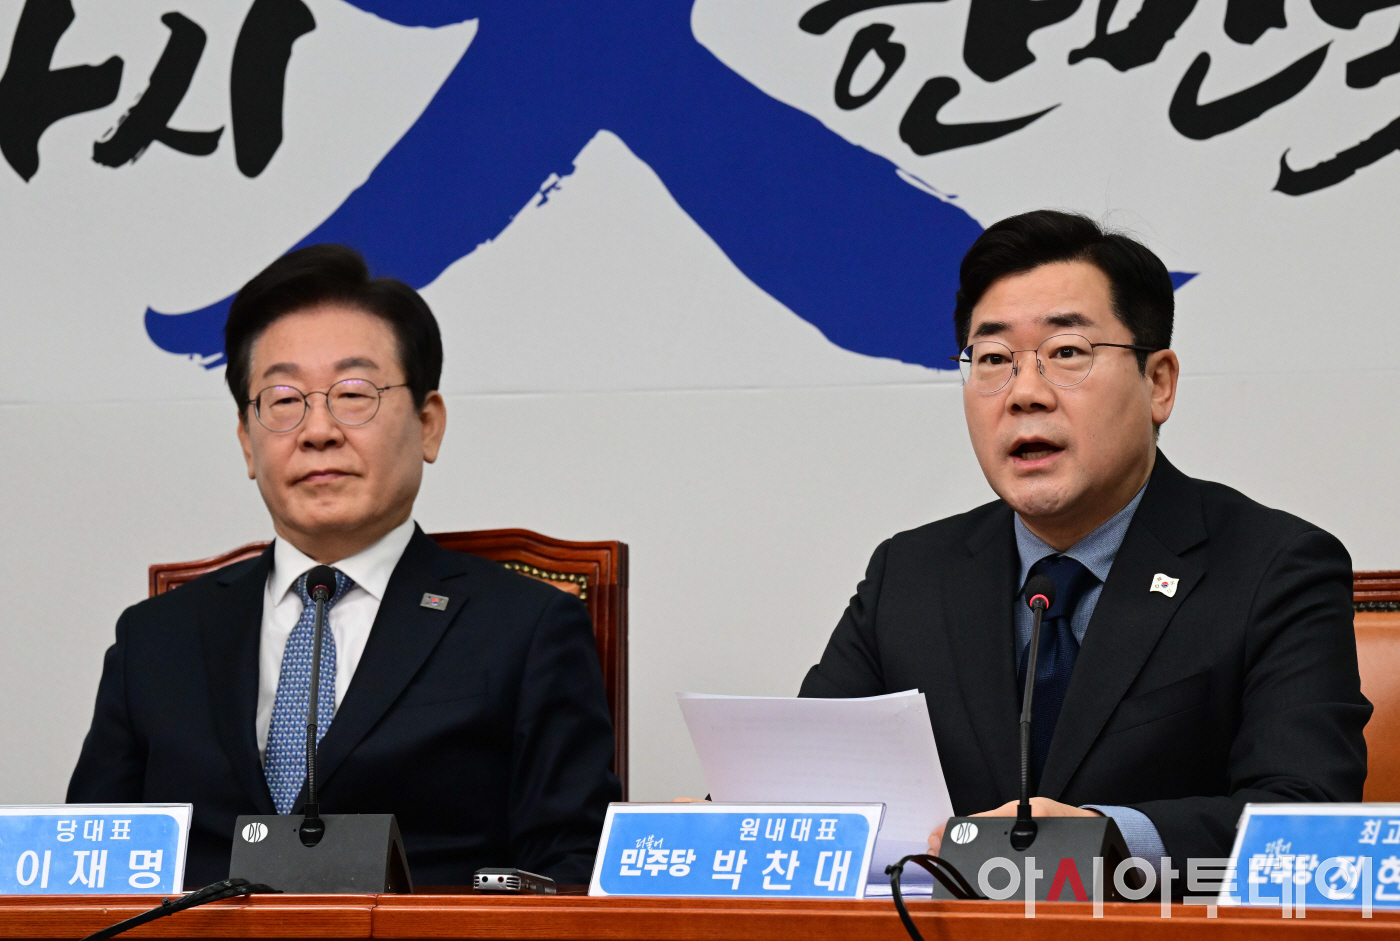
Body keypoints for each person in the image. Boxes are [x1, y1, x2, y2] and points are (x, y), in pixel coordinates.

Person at [800, 210, 1369, 875]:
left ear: (1158, 383)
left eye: (1067, 353)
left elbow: (1307, 814)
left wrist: (1109, 838)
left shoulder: (1275, 567)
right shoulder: (910, 574)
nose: (1025, 394)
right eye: (993, 359)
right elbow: (806, 786)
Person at [68, 245, 619, 888]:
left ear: (428, 424)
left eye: (353, 394)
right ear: (247, 441)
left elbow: (575, 867)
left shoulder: (525, 627)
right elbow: (84, 868)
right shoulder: (155, 639)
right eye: (283, 400)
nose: (318, 431)